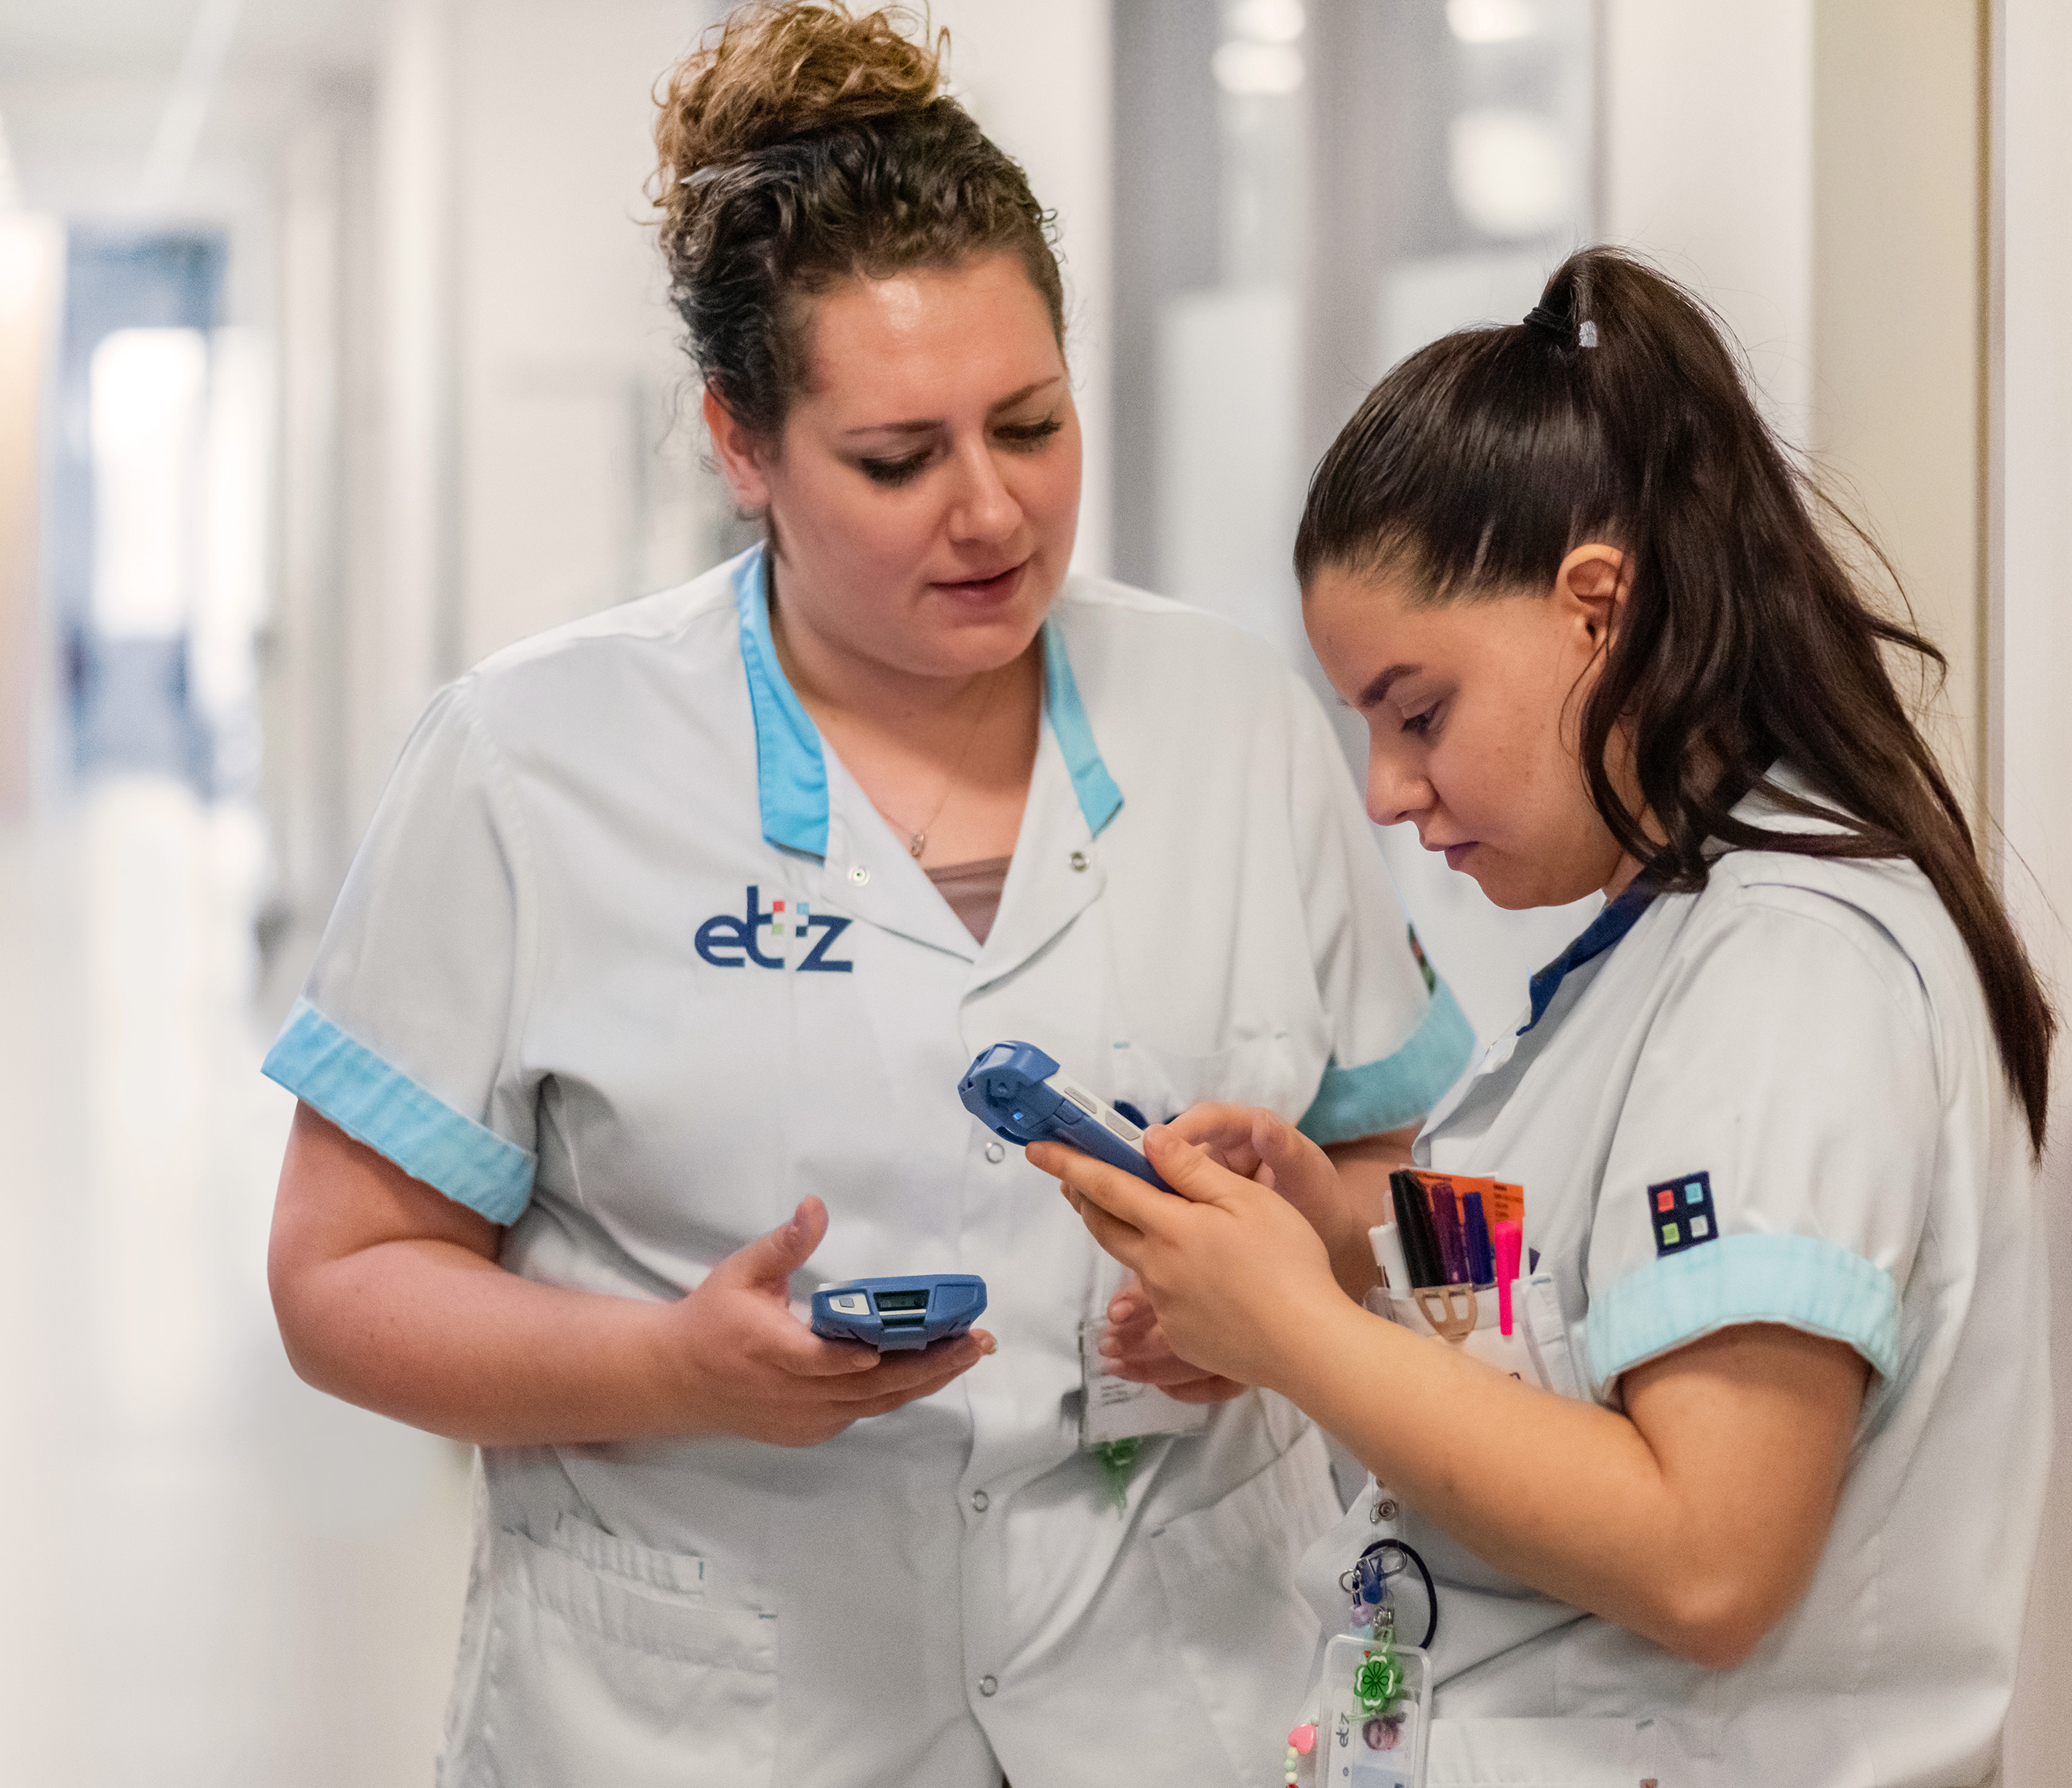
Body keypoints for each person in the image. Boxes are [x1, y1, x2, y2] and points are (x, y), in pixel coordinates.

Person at [260, 5, 1475, 1784]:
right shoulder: (532, 761)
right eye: (899, 459)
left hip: (1179, 1683)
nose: (991, 512)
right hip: (711, 1706)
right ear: (741, 445)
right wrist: (673, 1365)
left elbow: (1401, 1179)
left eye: (1034, 424)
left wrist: (1300, 1264)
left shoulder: (1234, 722)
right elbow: (338, 1277)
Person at [1046, 248, 2053, 1788]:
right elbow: (1595, 1302)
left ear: (1598, 608)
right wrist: (1341, 1238)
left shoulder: (1796, 978)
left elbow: (1707, 1555)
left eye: (1419, 711)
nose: (1388, 791)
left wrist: (1301, 1337)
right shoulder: (1675, 934)